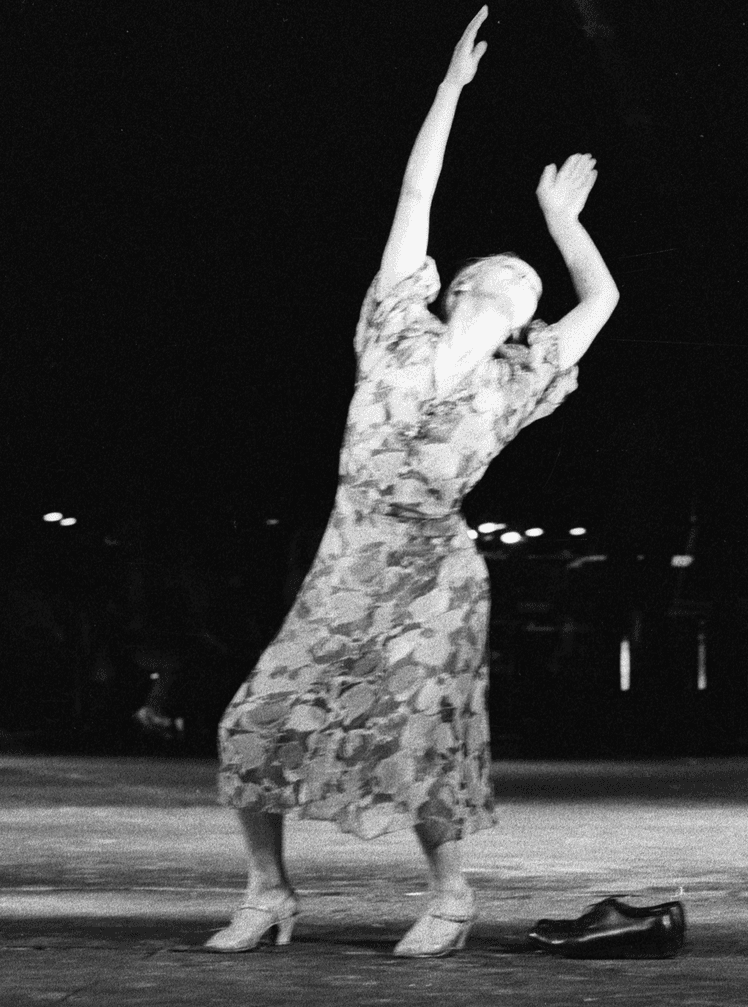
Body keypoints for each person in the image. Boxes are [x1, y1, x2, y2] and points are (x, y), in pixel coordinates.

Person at [208, 6, 620, 958]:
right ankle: (269, 892)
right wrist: (449, 92)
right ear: (462, 285)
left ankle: (451, 893)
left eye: (529, 284)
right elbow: (412, 197)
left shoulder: (519, 379)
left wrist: (561, 223)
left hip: (434, 574)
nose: (520, 281)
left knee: (418, 736)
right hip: (346, 563)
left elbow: (598, 298)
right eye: (504, 270)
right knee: (255, 721)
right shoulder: (394, 329)